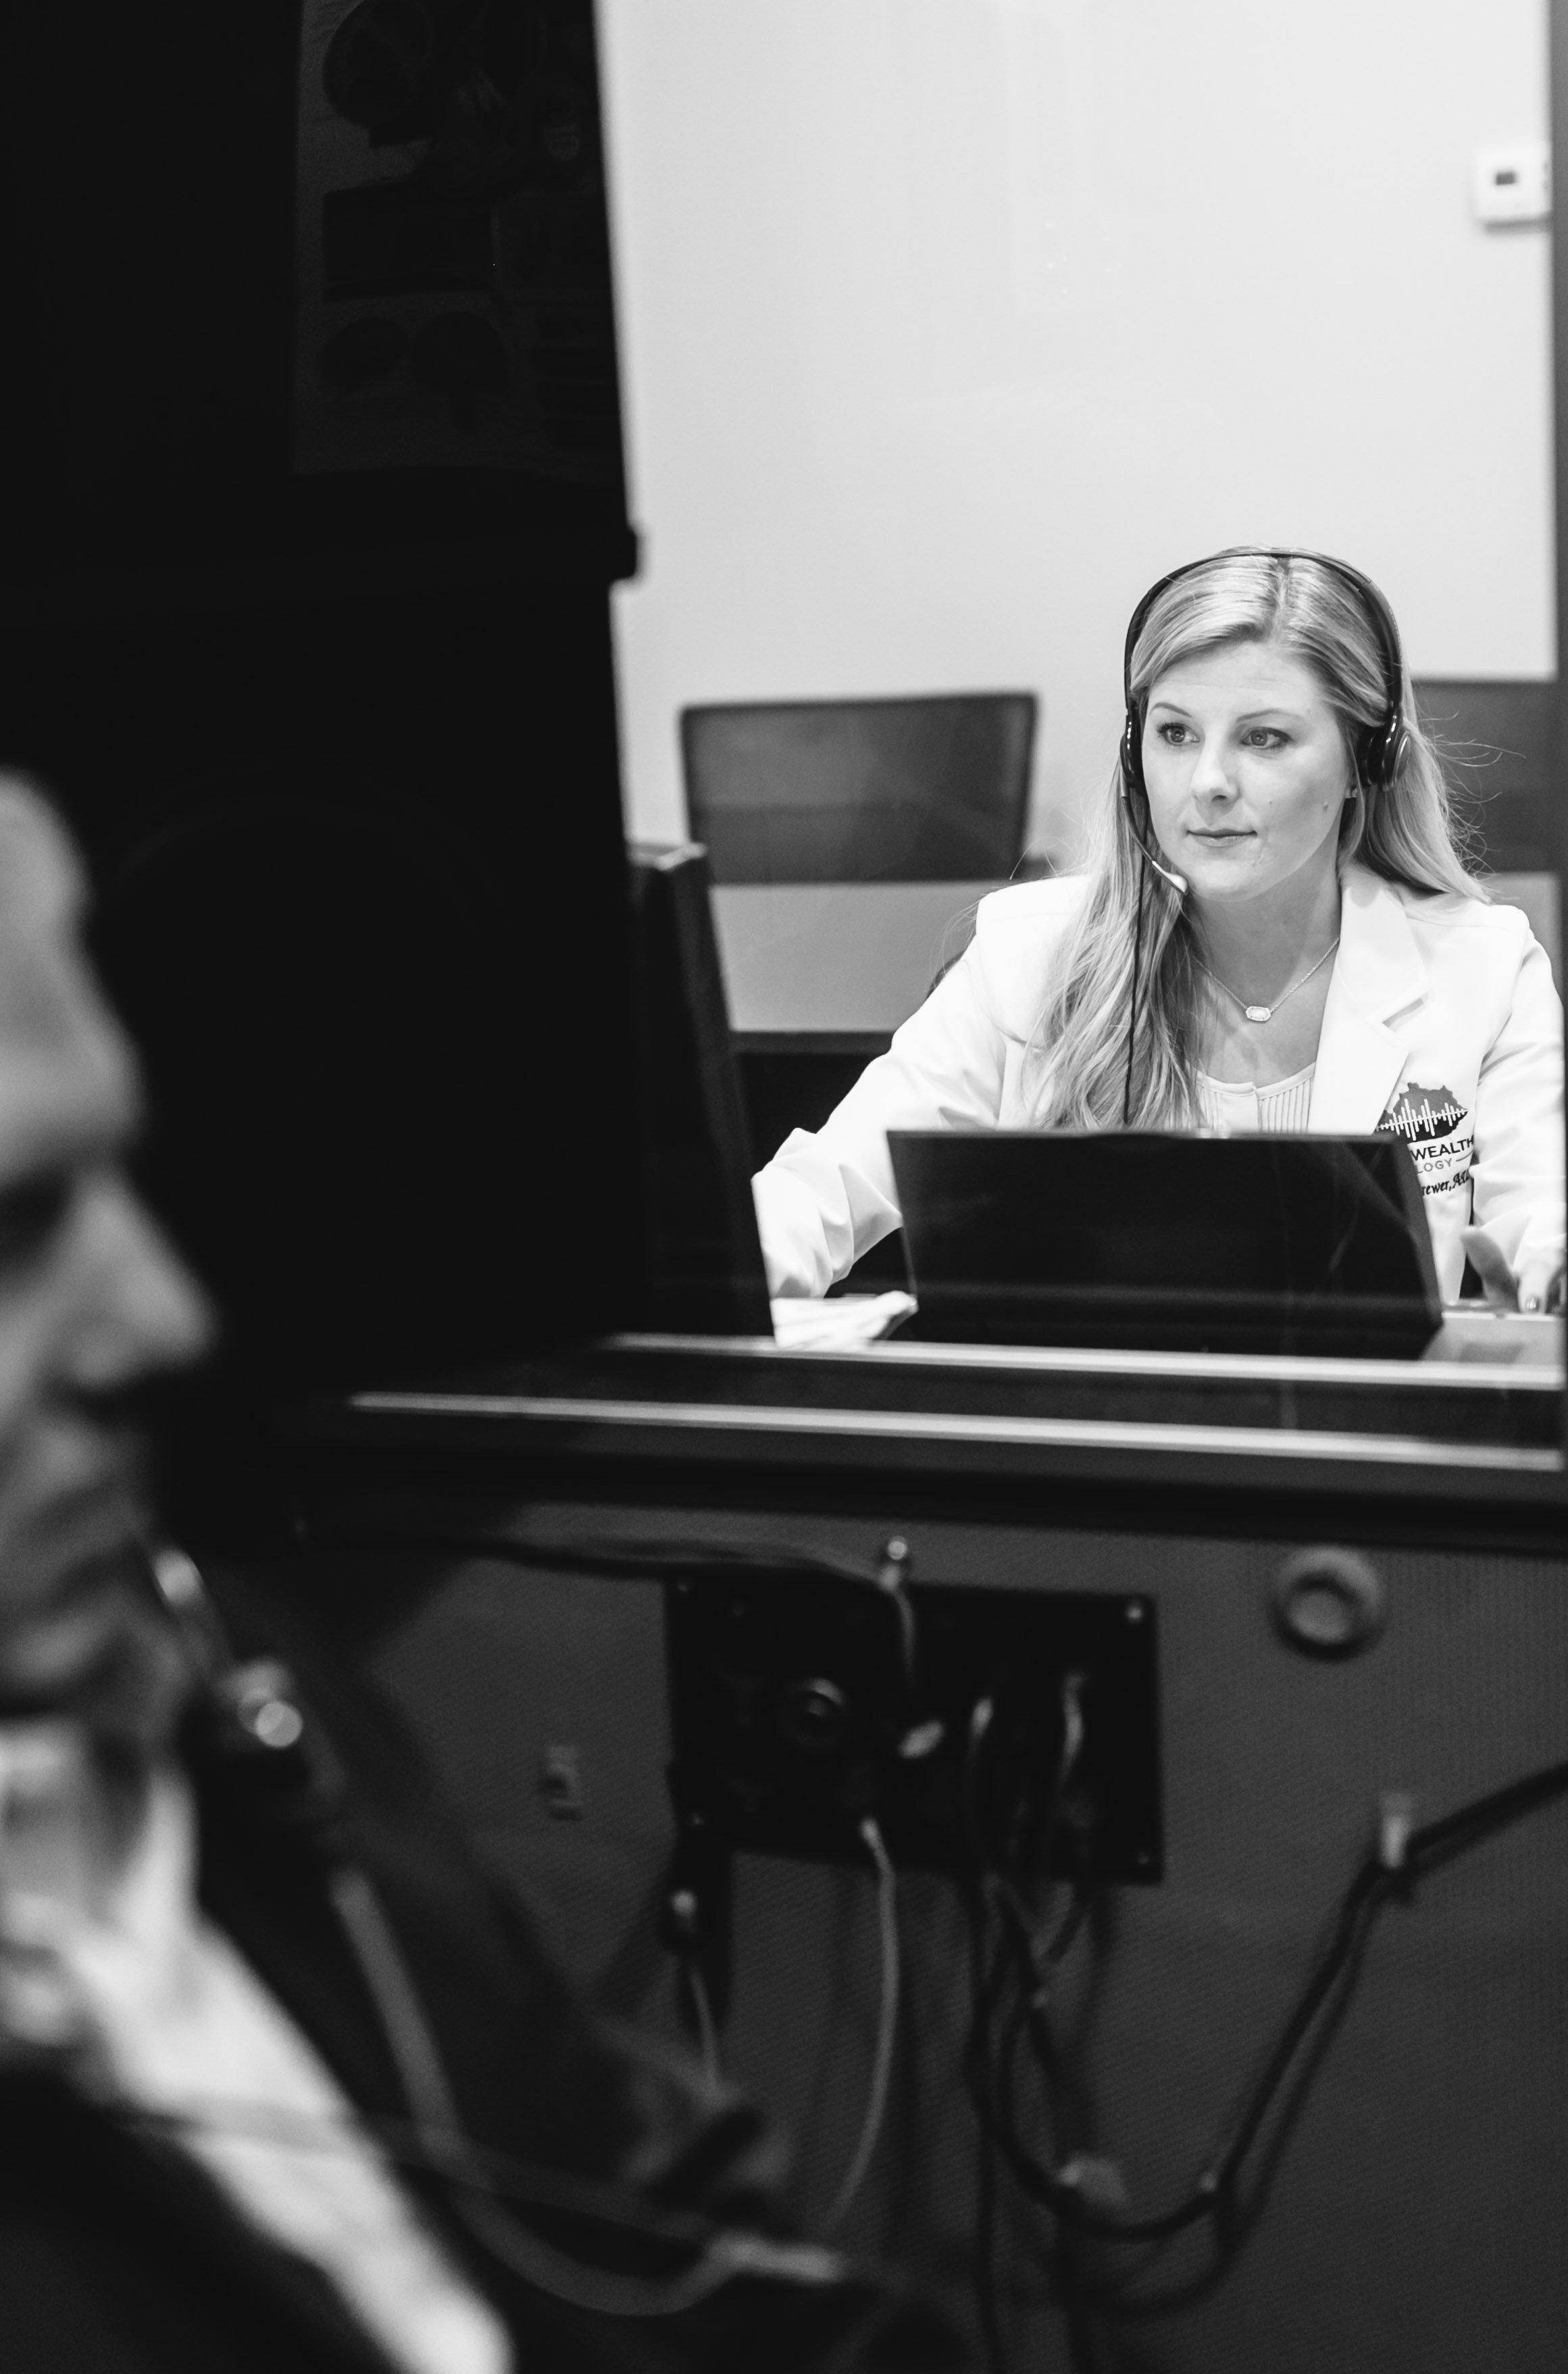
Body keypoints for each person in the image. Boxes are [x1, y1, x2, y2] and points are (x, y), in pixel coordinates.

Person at [0, 772, 960, 2373]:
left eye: (120, 1186)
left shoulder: (231, 1677)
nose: (159, 1315)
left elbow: (641, 2205)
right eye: (17, 1228)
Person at [753, 547, 1565, 1312]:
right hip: (1100, 1411)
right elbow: (822, 1191)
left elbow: (1542, 1213)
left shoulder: (1483, 967)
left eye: (1263, 738)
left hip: (1361, 1414)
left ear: (1366, 760)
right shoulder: (1027, 951)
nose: (1207, 782)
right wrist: (710, 1276)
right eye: (1175, 733)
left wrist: (1547, 1269)